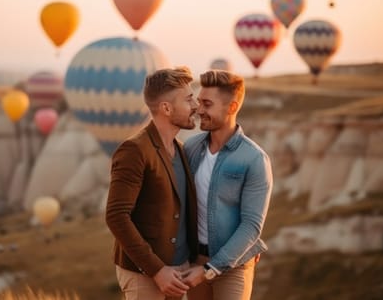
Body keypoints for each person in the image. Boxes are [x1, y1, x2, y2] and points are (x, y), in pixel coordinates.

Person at [105, 66, 199, 300]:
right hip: (145, 275)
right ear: (166, 108)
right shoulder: (134, 150)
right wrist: (156, 270)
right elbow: (116, 216)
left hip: (179, 273)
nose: (196, 105)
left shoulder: (179, 149)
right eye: (189, 100)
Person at [182, 70, 273, 300]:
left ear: (232, 107)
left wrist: (210, 270)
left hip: (234, 266)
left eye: (207, 104)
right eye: (199, 102)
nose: (199, 109)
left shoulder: (254, 159)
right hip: (194, 262)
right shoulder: (190, 149)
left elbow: (251, 226)